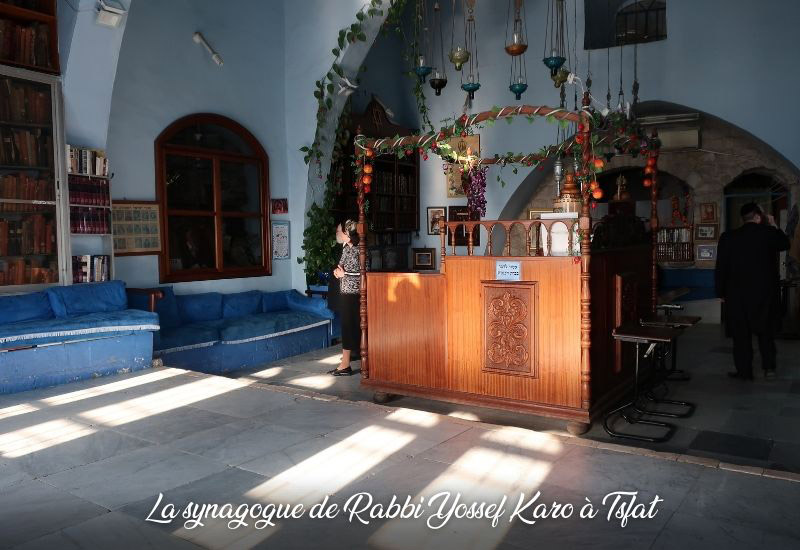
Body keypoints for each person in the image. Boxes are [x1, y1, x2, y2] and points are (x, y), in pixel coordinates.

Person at [715, 203, 790, 380]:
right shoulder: (769, 234)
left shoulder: (728, 237)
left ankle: (744, 372)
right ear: (758, 217)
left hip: (736, 296)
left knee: (741, 337)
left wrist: (720, 292)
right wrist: (773, 224)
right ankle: (769, 368)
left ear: (744, 218)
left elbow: (721, 267)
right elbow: (785, 244)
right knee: (766, 334)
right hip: (764, 296)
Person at [328, 219, 365, 376]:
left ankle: (345, 364)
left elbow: (364, 273)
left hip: (354, 293)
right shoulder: (346, 248)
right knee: (347, 325)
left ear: (347, 233)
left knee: (349, 326)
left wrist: (345, 274)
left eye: (339, 231)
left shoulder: (359, 249)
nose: (337, 234)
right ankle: (348, 358)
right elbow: (341, 267)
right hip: (345, 292)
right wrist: (338, 272)